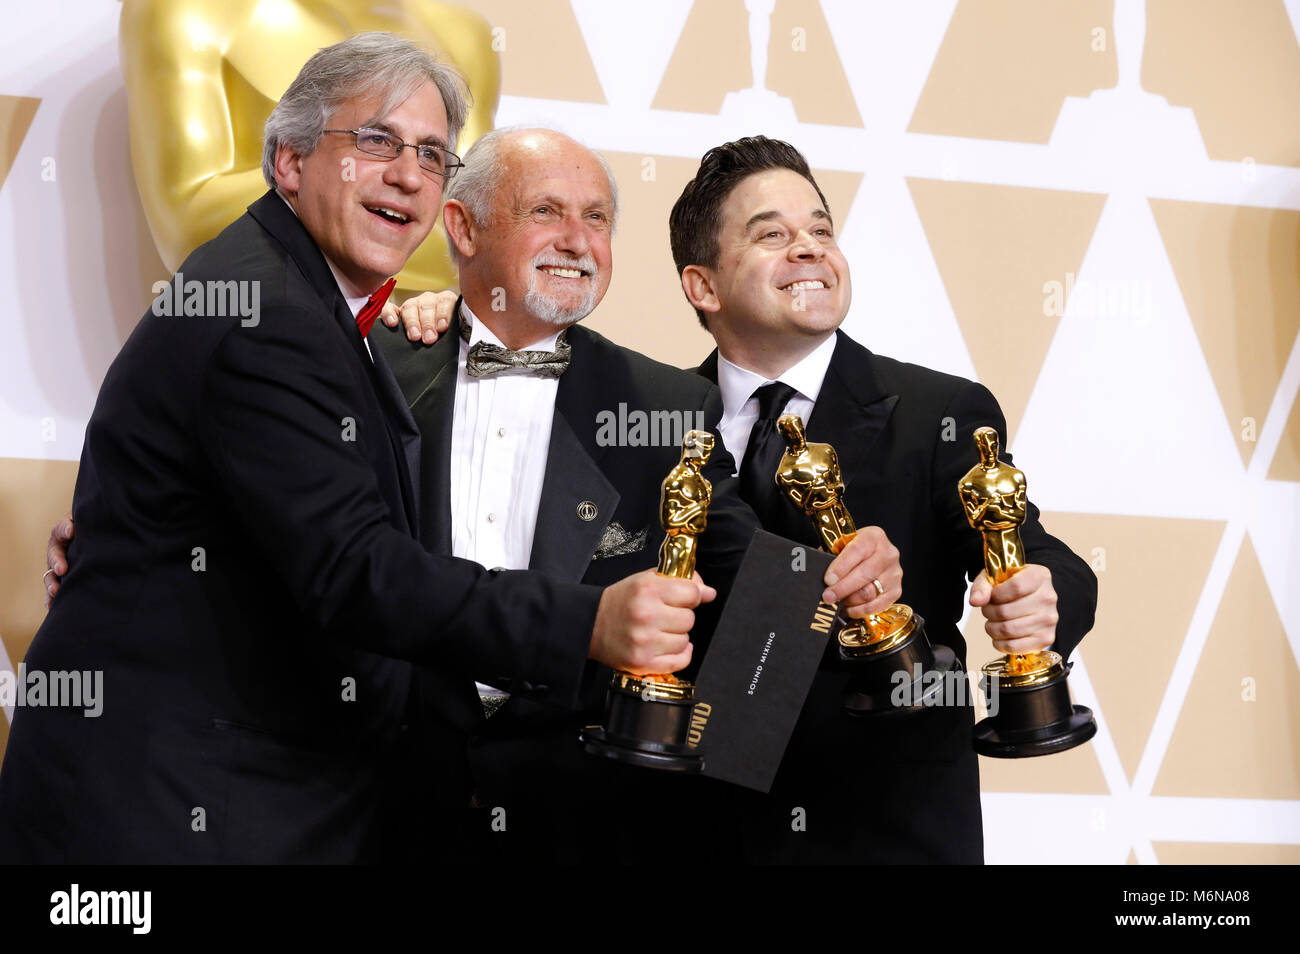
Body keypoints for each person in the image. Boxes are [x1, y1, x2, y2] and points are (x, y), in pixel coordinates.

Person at [38, 124, 892, 862]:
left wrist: (862, 595)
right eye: (547, 211)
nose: (578, 239)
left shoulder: (663, 406)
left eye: (597, 218)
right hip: (366, 807)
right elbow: (292, 531)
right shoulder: (363, 363)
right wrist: (126, 544)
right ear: (463, 225)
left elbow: (747, 576)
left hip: (582, 822)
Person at [1, 34, 711, 864]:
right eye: (375, 140)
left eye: (433, 153)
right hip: (190, 806)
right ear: (288, 160)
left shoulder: (324, 312)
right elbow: (358, 568)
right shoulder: (269, 314)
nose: (408, 172)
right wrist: (590, 621)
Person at [667, 135, 1099, 863]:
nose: (808, 249)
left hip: (888, 830)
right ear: (703, 286)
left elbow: (1031, 549)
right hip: (705, 831)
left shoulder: (938, 410)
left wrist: (1045, 595)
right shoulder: (660, 419)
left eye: (821, 230)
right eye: (772, 234)